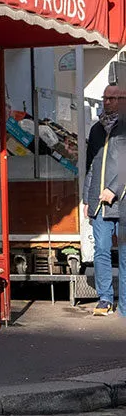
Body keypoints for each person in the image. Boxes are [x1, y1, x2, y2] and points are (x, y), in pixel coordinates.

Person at [84, 85, 126, 316]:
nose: (107, 102)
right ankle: (105, 299)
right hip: (99, 201)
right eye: (105, 98)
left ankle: (125, 306)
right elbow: (90, 165)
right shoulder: (96, 129)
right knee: (100, 250)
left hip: (122, 201)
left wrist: (113, 189)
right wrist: (86, 198)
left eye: (113, 98)